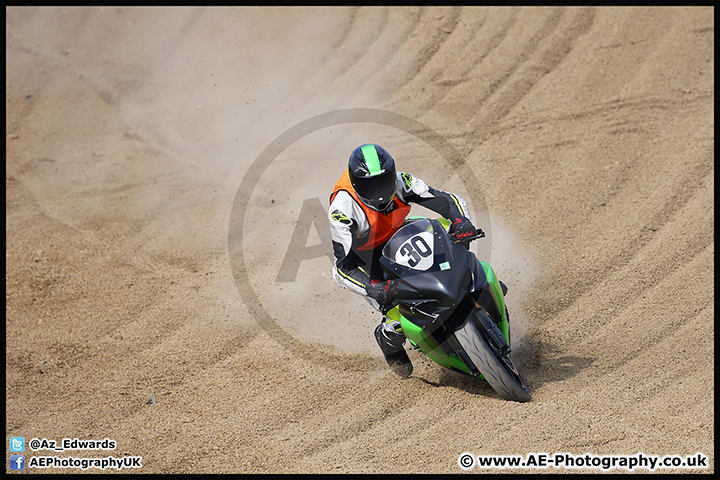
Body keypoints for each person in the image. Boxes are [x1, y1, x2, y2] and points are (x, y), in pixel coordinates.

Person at [328, 143, 478, 377]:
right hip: (368, 259)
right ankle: (388, 339)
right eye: (370, 185)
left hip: (402, 233)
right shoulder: (342, 210)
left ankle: (479, 283)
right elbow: (343, 268)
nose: (379, 191)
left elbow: (447, 201)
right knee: (395, 315)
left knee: (453, 240)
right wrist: (372, 286)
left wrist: (462, 222)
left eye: (383, 181)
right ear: (356, 184)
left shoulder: (401, 181)